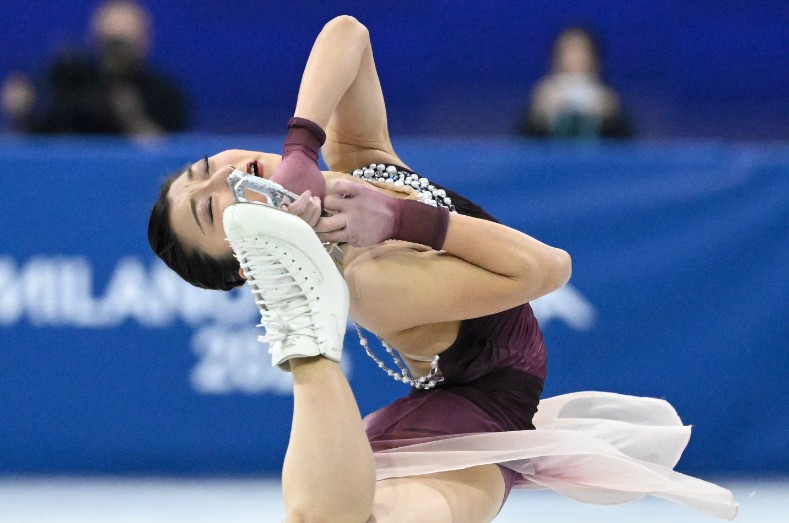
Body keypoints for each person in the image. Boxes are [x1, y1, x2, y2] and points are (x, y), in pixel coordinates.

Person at [148, 16, 737, 522]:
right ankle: (303, 339)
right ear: (244, 260)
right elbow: (548, 268)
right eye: (208, 206)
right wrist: (403, 221)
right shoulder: (368, 279)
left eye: (205, 165)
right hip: (471, 422)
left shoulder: (358, 168)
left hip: (471, 405)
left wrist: (303, 145)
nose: (222, 176)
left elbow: (349, 33)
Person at [1, 0, 188, 136]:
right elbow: (41, 137)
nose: (115, 53)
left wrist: (130, 114)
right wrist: (24, 108)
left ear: (144, 41)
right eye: (107, 42)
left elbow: (166, 156)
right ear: (93, 39)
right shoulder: (70, 81)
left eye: (121, 44)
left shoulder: (164, 94)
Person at [519, 26, 632, 139]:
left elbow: (628, 144)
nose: (575, 59)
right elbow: (519, 144)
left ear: (595, 60)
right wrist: (537, 117)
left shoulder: (609, 103)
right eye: (568, 52)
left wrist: (611, 118)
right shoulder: (541, 101)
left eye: (582, 52)